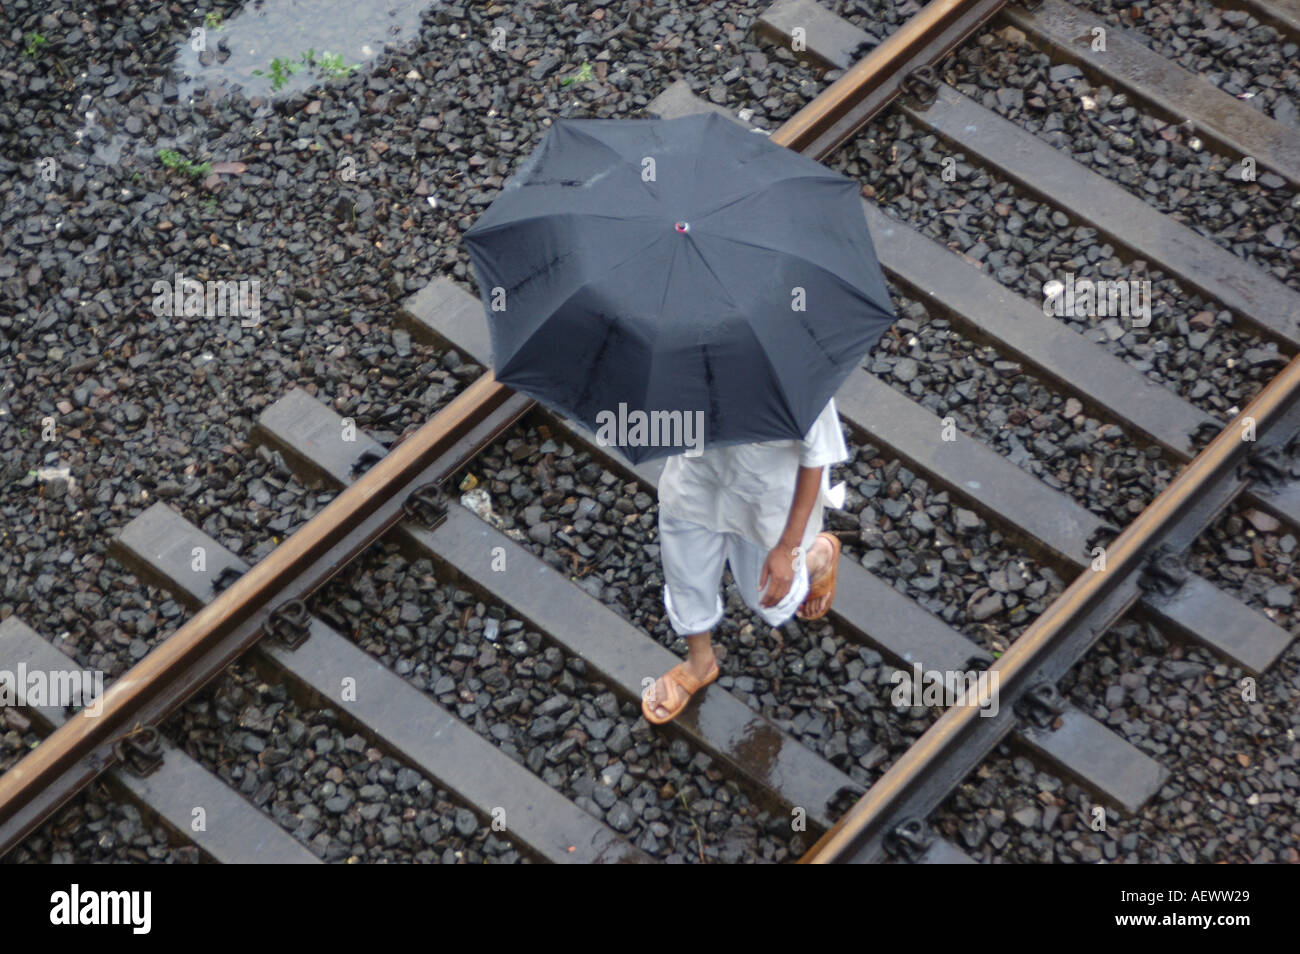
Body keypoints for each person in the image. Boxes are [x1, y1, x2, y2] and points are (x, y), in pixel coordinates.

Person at [642, 398, 849, 724]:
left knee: (765, 596)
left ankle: (816, 558)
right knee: (685, 575)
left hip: (764, 502)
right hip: (694, 480)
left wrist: (789, 548)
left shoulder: (795, 383)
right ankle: (700, 661)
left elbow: (816, 458)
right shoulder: (681, 368)